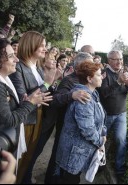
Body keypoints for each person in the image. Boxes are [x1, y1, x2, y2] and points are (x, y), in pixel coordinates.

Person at [9, 31, 56, 183]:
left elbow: (44, 94)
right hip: (25, 121)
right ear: (31, 46)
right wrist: (47, 83)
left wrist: (52, 85)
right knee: (19, 160)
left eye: (45, 45)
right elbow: (24, 98)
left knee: (28, 160)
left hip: (38, 118)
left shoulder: (39, 68)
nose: (45, 49)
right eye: (41, 45)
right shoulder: (18, 68)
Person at [44, 52, 93, 184]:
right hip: (65, 128)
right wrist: (72, 95)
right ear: (78, 67)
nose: (93, 67)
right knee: (57, 159)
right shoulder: (69, 80)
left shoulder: (87, 80)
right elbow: (54, 100)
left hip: (75, 131)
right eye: (89, 65)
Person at [56, 61, 106, 184]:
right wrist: (100, 141)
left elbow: (100, 117)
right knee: (70, 180)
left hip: (79, 150)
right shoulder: (85, 97)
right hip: (74, 152)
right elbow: (87, 128)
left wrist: (103, 133)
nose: (102, 77)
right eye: (99, 75)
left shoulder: (93, 93)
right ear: (89, 79)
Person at [98, 50, 128, 182]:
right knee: (99, 141)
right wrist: (118, 82)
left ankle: (119, 170)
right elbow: (104, 93)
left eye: (120, 59)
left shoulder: (125, 74)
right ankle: (97, 165)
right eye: (115, 59)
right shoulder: (104, 73)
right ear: (109, 60)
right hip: (105, 115)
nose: (119, 62)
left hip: (121, 115)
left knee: (121, 140)